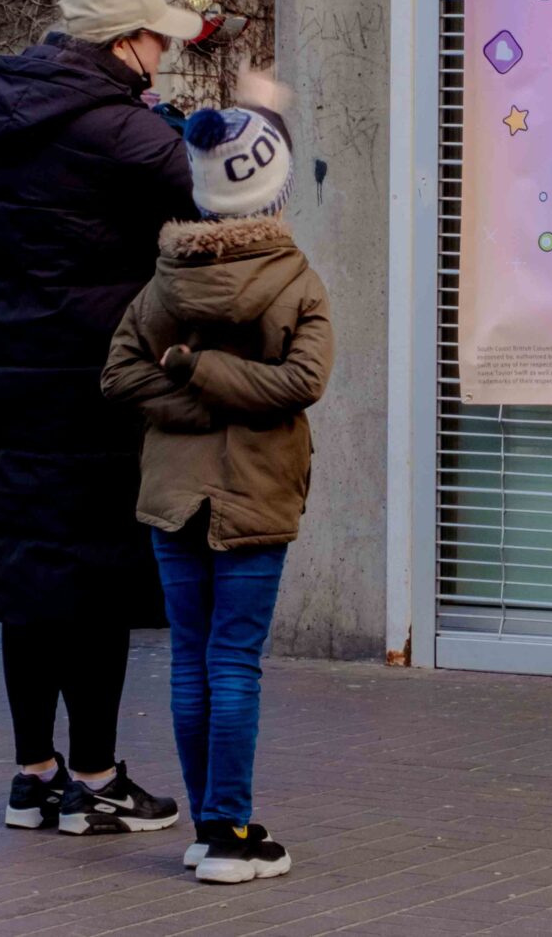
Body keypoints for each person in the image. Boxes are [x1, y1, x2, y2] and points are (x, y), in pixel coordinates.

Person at [0, 0, 201, 838]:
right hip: (96, 377)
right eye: (158, 40)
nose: (163, 55)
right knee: (98, 574)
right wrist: (264, 111)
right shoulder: (116, 127)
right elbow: (224, 185)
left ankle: (34, 773)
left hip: (12, 372)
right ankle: (96, 779)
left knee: (27, 566)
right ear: (124, 44)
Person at [103, 78, 332, 885]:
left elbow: (121, 372)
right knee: (233, 662)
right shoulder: (294, 277)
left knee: (193, 661)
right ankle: (231, 834)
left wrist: (194, 377)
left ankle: (209, 827)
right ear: (274, 186)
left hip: (172, 496)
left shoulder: (166, 278)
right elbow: (303, 381)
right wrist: (220, 395)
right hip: (257, 491)